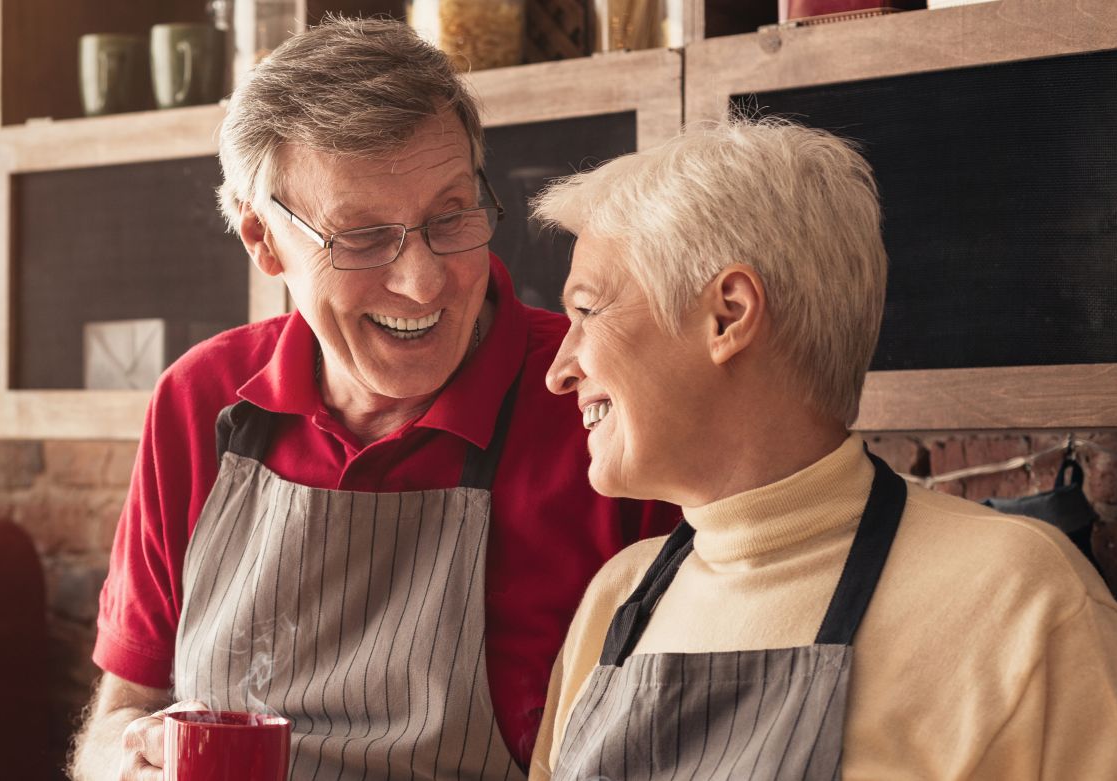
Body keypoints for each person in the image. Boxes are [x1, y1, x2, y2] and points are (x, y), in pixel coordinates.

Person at [68, 18, 676, 781]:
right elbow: (122, 708)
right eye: (362, 237)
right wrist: (127, 764)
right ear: (263, 240)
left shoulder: (597, 396)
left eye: (450, 215)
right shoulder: (200, 401)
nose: (423, 282)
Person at [527, 118, 1117, 780]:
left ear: (727, 314)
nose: (560, 367)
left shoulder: (1022, 600)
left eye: (586, 311)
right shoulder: (617, 598)